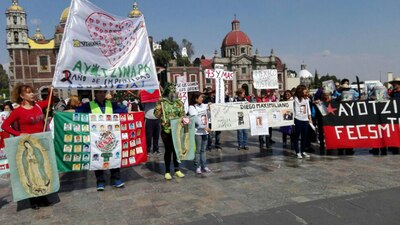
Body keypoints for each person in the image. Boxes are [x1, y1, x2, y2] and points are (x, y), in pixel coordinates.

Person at [1, 84, 53, 209]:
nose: (32, 94)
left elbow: (50, 100)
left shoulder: (38, 106)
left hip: (40, 144)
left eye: (32, 92)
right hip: (28, 145)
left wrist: (51, 90)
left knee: (42, 169)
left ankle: (43, 195)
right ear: (21, 96)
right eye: (29, 93)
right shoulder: (18, 111)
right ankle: (33, 199)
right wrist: (19, 134)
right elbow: (5, 126)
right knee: (31, 171)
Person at [75, 90, 127, 191]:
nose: (102, 94)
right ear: (95, 94)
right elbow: (78, 112)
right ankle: (100, 181)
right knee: (97, 158)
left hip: (111, 136)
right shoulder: (89, 105)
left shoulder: (112, 104)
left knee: (113, 156)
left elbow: (124, 110)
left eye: (103, 92)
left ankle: (116, 179)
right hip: (96, 138)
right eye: (99, 92)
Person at [154, 83, 186, 180]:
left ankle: (177, 169)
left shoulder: (179, 103)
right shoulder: (162, 103)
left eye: (174, 92)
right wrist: (159, 107)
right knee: (168, 150)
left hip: (177, 130)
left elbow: (182, 114)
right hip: (166, 130)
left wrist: (183, 120)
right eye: (171, 92)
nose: (172, 94)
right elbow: (156, 115)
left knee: (176, 150)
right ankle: (167, 170)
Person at [188, 92, 211, 174]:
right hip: (197, 132)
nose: (202, 99)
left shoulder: (204, 105)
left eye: (202, 97)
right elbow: (196, 120)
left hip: (205, 131)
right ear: (196, 99)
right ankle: (198, 166)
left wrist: (210, 109)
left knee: (203, 150)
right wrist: (204, 127)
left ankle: (204, 165)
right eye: (201, 97)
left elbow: (208, 115)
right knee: (198, 150)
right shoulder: (192, 107)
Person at [140, 89, 161, 156]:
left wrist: (158, 85)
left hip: (157, 118)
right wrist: (141, 90)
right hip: (148, 118)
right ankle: (148, 150)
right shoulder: (145, 96)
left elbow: (162, 93)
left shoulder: (157, 95)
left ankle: (156, 150)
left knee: (156, 136)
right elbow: (140, 97)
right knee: (148, 136)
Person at [293, 85, 312, 159]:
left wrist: (309, 117)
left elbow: (308, 108)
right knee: (296, 136)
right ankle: (297, 152)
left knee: (305, 136)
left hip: (305, 119)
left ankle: (303, 151)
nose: (306, 92)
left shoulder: (306, 99)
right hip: (297, 119)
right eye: (304, 90)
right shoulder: (295, 99)